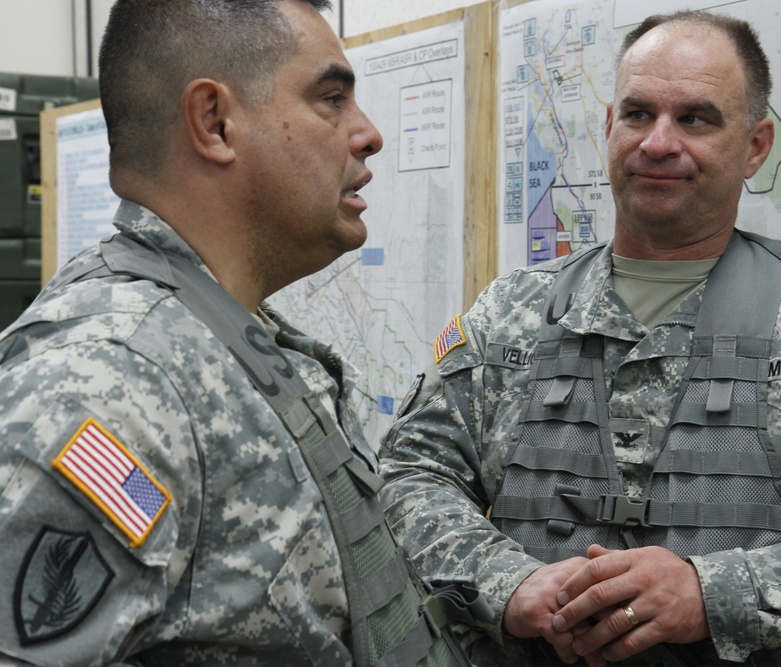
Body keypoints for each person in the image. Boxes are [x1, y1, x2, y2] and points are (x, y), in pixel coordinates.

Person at [379, 10, 781, 667]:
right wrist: (507, 581)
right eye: (638, 114)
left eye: (695, 118)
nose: (658, 143)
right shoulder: (509, 316)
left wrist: (714, 592)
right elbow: (411, 471)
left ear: (755, 146)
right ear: (608, 127)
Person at [0, 1, 480, 665]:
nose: (367, 134)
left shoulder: (228, 335)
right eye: (331, 98)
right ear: (215, 122)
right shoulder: (111, 381)